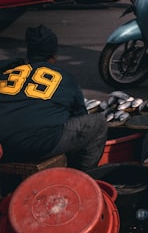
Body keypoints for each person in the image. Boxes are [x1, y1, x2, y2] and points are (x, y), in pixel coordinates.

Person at [0, 26, 108, 171]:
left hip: (4, 145)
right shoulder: (65, 77)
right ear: (54, 56)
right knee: (98, 122)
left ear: (29, 53)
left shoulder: (9, 72)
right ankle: (81, 178)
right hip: (40, 144)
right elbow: (80, 115)